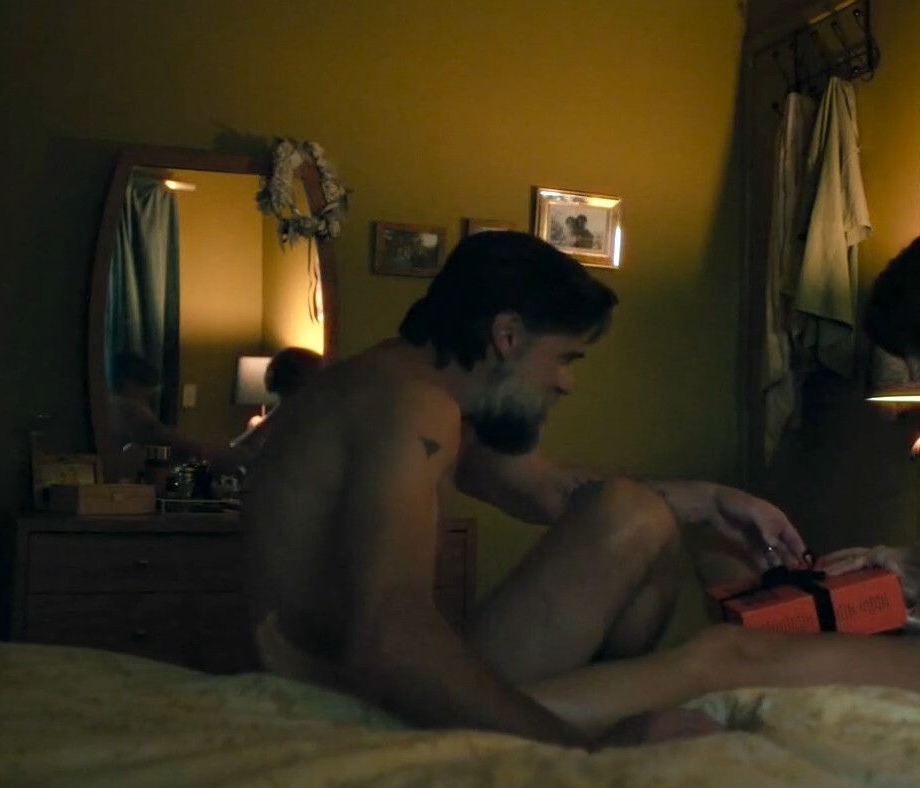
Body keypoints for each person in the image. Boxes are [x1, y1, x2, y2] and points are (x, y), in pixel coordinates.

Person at [502, 227, 920, 717]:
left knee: (728, 654)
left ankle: (485, 722)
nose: (917, 369)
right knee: (724, 548)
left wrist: (912, 562)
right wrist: (879, 567)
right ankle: (578, 706)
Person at [236, 231, 810, 750]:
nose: (566, 382)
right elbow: (389, 637)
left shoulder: (409, 389)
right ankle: (605, 722)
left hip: (352, 686)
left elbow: (550, 492)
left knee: (636, 513)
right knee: (639, 522)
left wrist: (711, 500)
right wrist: (582, 754)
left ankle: (614, 708)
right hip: (343, 706)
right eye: (563, 358)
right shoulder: (412, 409)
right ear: (507, 335)